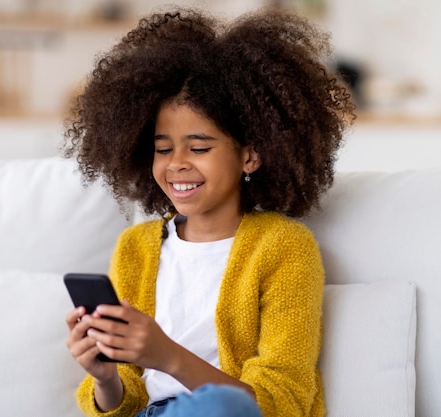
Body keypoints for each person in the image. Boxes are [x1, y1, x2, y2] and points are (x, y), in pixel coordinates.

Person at [63, 7, 354, 417]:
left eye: (199, 148)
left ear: (250, 155)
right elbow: (126, 399)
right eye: (163, 149)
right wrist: (105, 377)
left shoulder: (284, 249)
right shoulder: (136, 249)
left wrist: (167, 355)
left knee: (219, 405)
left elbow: (281, 403)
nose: (176, 163)